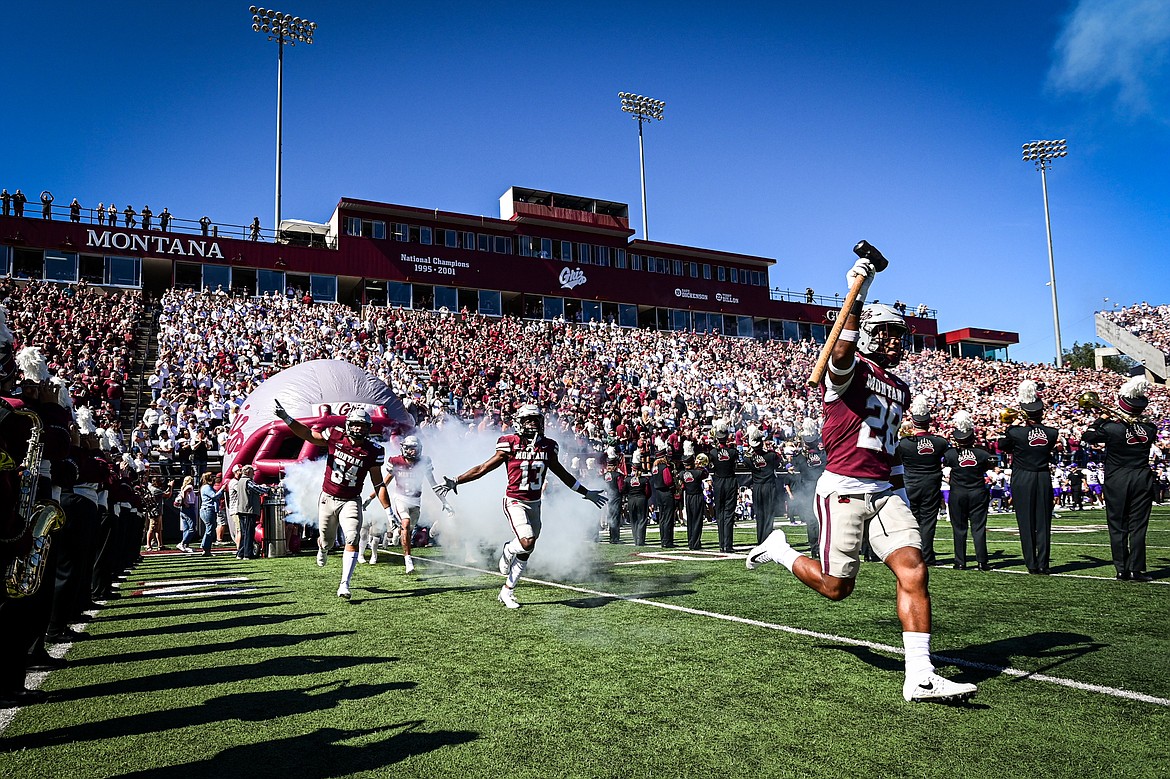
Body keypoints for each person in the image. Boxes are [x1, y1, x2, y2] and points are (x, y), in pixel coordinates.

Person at [746, 255, 977, 704]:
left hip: (885, 489)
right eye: (886, 331)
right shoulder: (851, 373)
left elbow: (888, 448)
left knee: (914, 568)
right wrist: (858, 296)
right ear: (869, 332)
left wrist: (899, 489)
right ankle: (779, 549)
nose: (895, 339)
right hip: (845, 489)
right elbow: (839, 355)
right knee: (837, 588)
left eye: (898, 332)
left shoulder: (901, 387)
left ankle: (921, 676)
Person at [434, 404, 606, 609]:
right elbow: (483, 468)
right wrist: (456, 480)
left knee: (528, 548)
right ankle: (507, 549)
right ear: (519, 422)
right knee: (526, 540)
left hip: (535, 503)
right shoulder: (510, 443)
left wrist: (586, 493)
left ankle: (507, 591)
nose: (533, 424)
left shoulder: (548, 446)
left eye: (536, 420)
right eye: (529, 420)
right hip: (514, 501)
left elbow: (563, 474)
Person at [273, 402, 392, 599]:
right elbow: (309, 435)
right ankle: (323, 548)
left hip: (351, 500)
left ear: (368, 428)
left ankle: (344, 584)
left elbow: (378, 483)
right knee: (327, 540)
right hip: (328, 498)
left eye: (362, 426)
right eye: (355, 425)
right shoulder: (335, 436)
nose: (358, 429)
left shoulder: (373, 451)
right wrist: (287, 418)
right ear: (348, 425)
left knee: (352, 537)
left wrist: (388, 510)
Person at [1080, 377, 1158, 581]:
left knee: (1117, 525)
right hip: (1142, 477)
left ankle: (1121, 569)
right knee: (1138, 526)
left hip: (1117, 479)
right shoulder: (1151, 429)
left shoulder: (1111, 428)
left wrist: (1102, 419)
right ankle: (1137, 570)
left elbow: (1087, 437)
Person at [998, 380, 1060, 574]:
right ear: (1041, 413)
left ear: (1024, 412)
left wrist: (1012, 425)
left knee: (1025, 521)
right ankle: (1043, 563)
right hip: (1042, 476)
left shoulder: (1015, 432)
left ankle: (1031, 564)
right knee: (1043, 521)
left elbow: (1003, 445)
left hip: (1022, 477)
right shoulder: (1052, 432)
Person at [895, 396, 949, 565]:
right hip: (931, 484)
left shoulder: (903, 443)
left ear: (913, 421)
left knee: (911, 521)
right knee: (928, 521)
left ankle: (912, 555)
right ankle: (927, 556)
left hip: (910, 483)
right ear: (929, 421)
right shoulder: (940, 442)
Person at [382, 434, 448, 573]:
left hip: (416, 501)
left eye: (415, 448)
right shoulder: (396, 461)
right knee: (405, 524)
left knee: (409, 529)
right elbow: (384, 482)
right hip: (401, 498)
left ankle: (398, 532)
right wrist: (371, 497)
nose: (413, 451)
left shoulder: (424, 462)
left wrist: (444, 502)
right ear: (404, 449)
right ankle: (408, 560)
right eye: (410, 448)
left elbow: (433, 484)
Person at [943, 411, 994, 571]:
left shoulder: (951, 454)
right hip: (977, 492)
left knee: (959, 529)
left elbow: (945, 463)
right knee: (978, 528)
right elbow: (991, 464)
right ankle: (982, 561)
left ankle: (960, 561)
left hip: (958, 493)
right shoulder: (982, 453)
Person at [790, 418, 827, 560]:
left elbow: (795, 467)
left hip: (807, 490)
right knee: (823, 518)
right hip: (822, 488)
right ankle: (823, 546)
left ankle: (814, 549)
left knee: (811, 520)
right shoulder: (823, 454)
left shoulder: (800, 457)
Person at [706, 419, 740, 553]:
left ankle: (721, 544)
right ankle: (728, 544)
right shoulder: (733, 452)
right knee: (729, 513)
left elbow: (710, 462)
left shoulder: (713, 452)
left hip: (718, 481)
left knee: (720, 513)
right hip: (730, 481)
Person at [744, 426, 781, 545]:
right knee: (769, 514)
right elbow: (778, 459)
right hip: (769, 486)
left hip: (757, 487)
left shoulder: (749, 458)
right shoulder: (771, 455)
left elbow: (746, 457)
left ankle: (760, 540)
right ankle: (767, 540)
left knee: (759, 515)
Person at [233, 465, 271, 560]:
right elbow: (258, 489)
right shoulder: (247, 481)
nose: (254, 474)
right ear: (248, 472)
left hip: (242, 510)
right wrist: (268, 489)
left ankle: (240, 553)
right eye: (252, 472)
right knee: (249, 532)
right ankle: (247, 554)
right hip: (248, 510)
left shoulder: (240, 481)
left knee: (244, 532)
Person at [649, 447, 678, 548]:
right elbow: (668, 481)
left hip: (658, 493)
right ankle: (668, 540)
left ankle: (663, 540)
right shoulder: (664, 466)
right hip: (666, 493)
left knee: (662, 517)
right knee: (668, 517)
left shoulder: (654, 467)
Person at [680, 453, 709, 549]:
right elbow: (706, 473)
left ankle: (691, 542)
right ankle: (696, 543)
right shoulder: (699, 472)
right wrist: (698, 465)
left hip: (688, 497)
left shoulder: (682, 474)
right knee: (697, 520)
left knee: (690, 521)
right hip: (697, 497)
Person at [198, 472, 226, 557]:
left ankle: (205, 547)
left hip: (209, 510)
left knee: (209, 529)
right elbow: (214, 496)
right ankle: (205, 548)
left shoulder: (206, 487)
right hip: (208, 510)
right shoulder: (206, 487)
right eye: (211, 477)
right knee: (210, 529)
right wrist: (222, 489)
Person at [624, 459, 651, 546]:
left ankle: (636, 539)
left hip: (631, 500)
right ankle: (641, 540)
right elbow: (648, 492)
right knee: (642, 519)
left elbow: (624, 490)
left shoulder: (627, 480)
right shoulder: (645, 480)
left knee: (633, 520)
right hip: (641, 499)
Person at [601, 454, 625, 544]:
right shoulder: (618, 475)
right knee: (615, 517)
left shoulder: (604, 476)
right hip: (616, 497)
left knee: (610, 517)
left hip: (608, 497)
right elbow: (621, 488)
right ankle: (615, 538)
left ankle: (612, 536)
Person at [174, 475, 199, 553]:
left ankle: (185, 545)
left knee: (186, 528)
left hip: (184, 508)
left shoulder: (183, 487)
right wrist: (185, 502)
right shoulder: (189, 486)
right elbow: (185, 492)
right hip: (188, 507)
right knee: (192, 527)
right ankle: (183, 543)